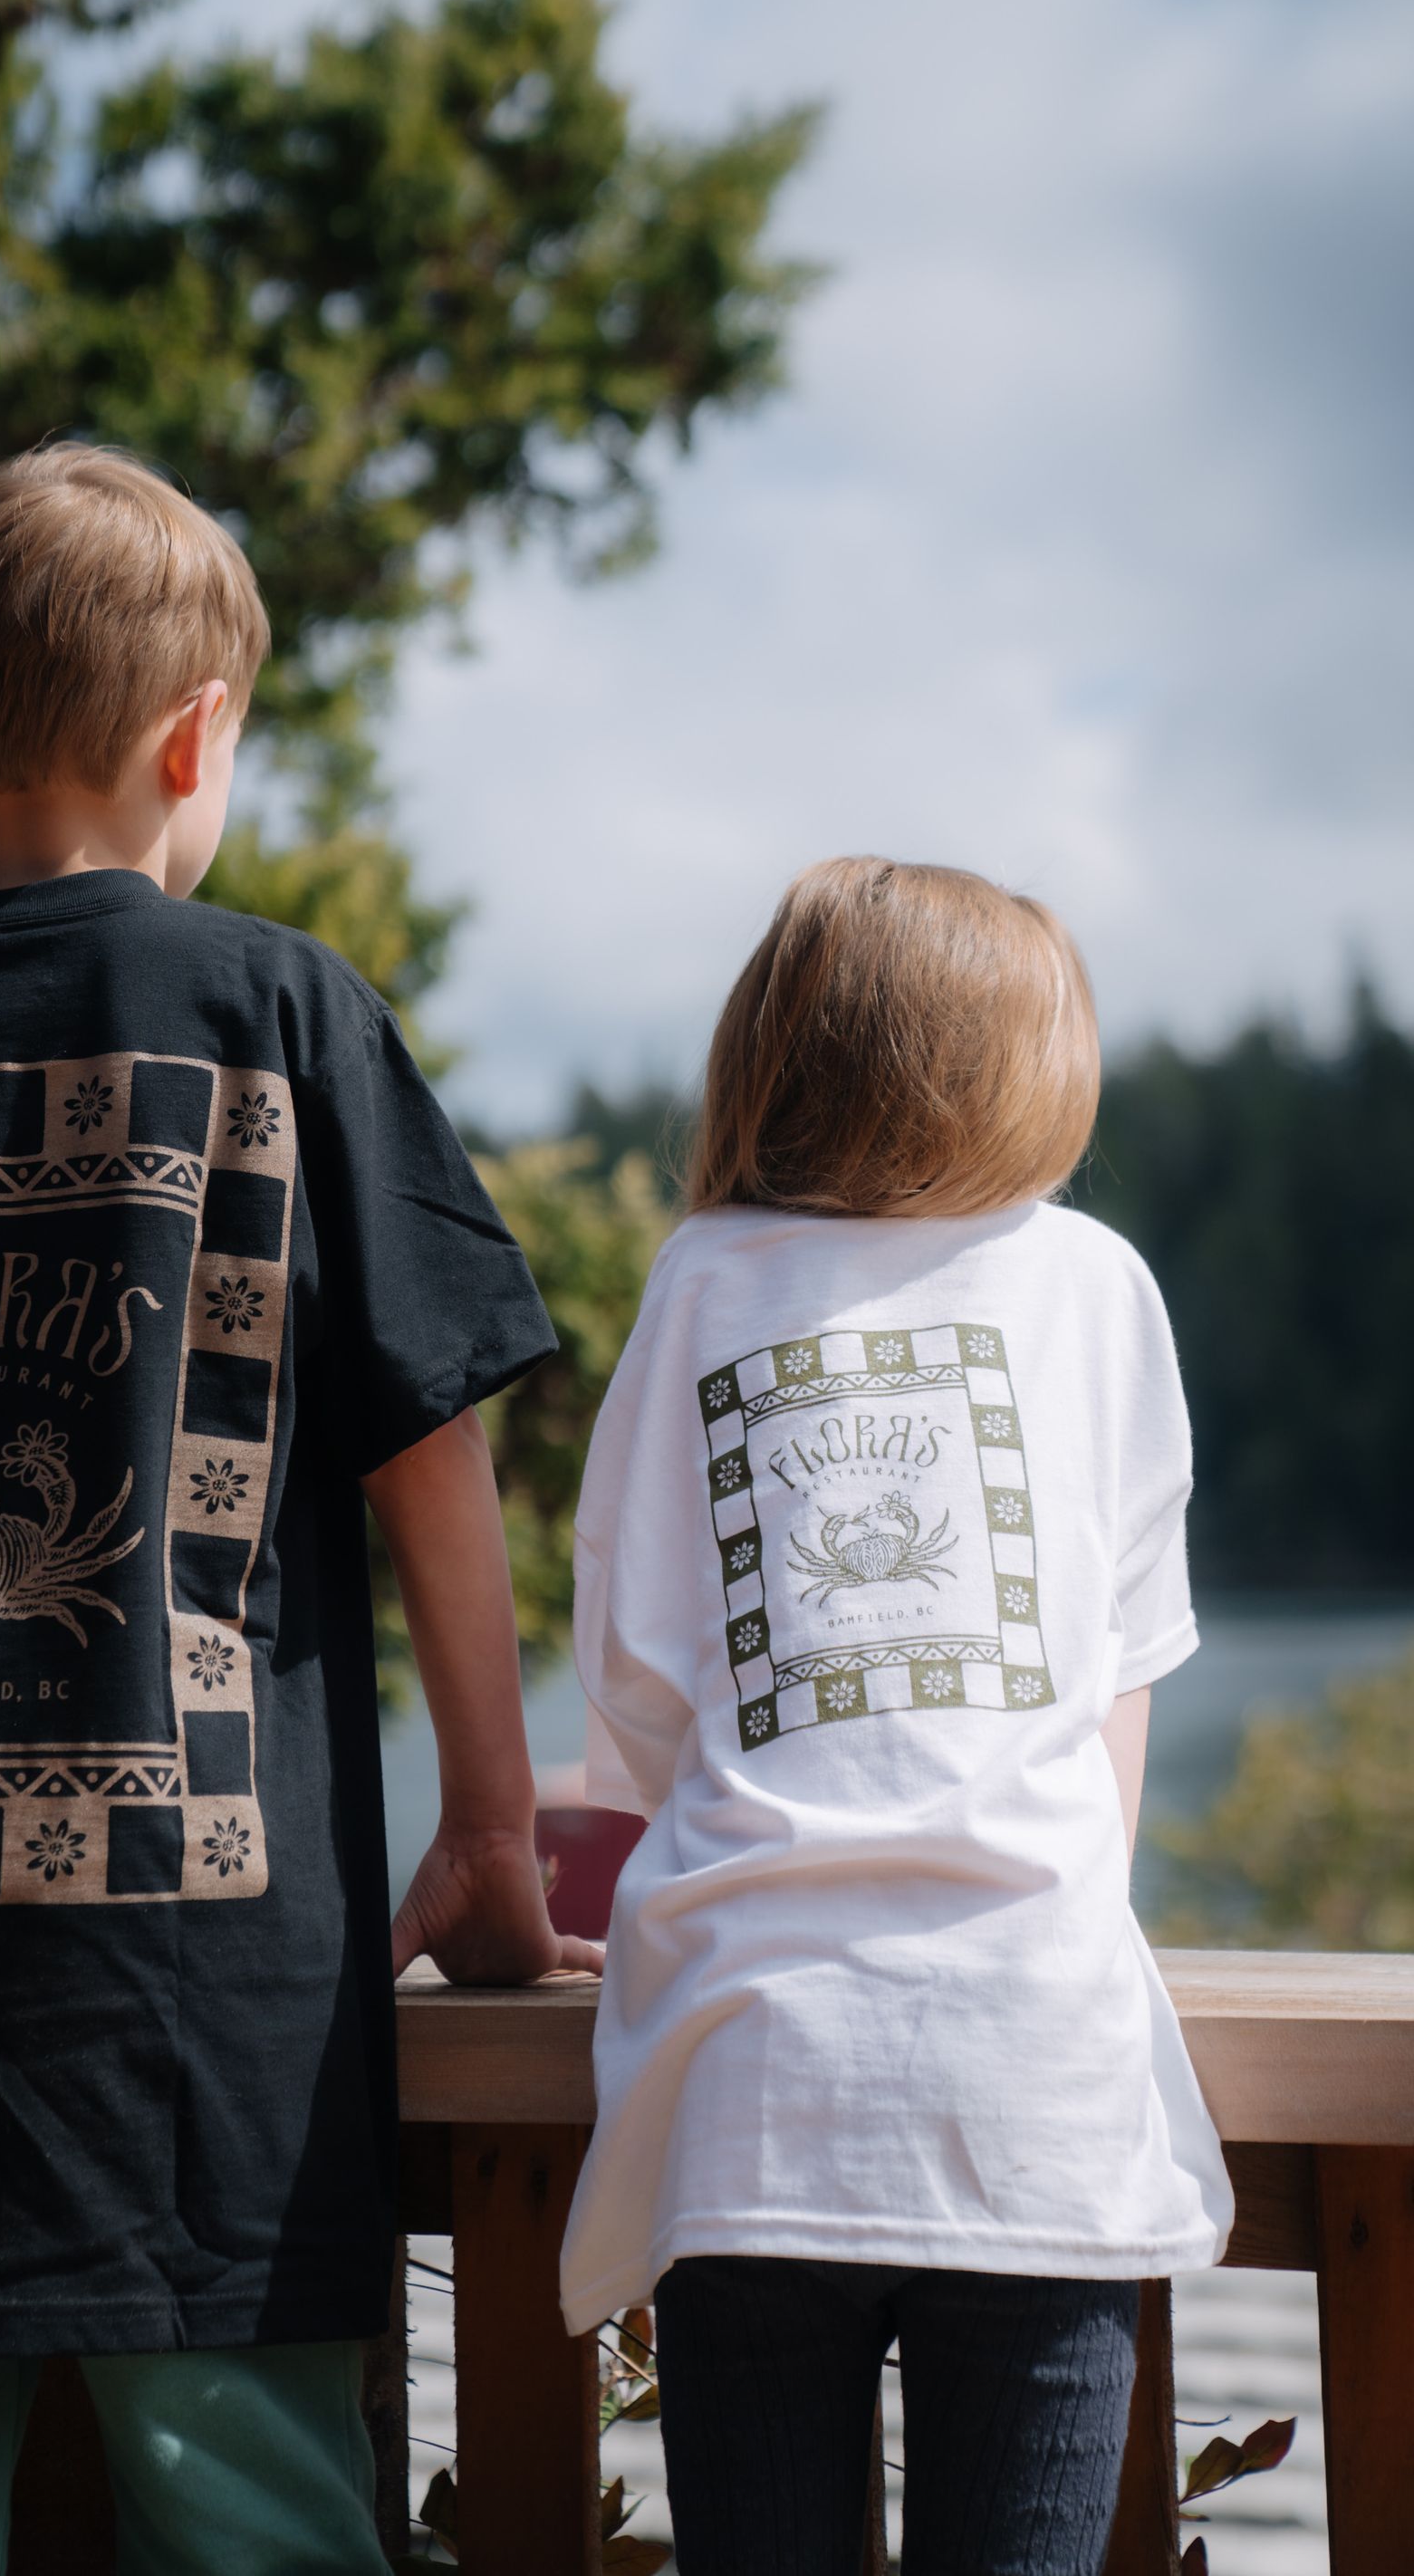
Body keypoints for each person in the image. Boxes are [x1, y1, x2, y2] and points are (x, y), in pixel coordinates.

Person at [0, 442, 597, 2576]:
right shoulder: (286, 1017)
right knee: (266, 2536)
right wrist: (487, 1823)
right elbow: (432, 1458)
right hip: (215, 2033)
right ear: (201, 738)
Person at [559, 858, 1232, 2576]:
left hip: (756, 2078)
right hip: (1036, 2080)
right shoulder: (1095, 1286)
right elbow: (1120, 1678)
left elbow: (636, 1673)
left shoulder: (701, 1281)